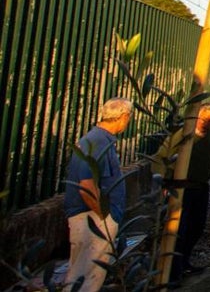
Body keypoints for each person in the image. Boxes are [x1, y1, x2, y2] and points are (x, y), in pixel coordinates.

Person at [157, 103, 210, 282]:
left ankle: (184, 263)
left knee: (196, 227)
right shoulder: (183, 133)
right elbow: (163, 156)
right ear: (196, 117)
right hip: (181, 188)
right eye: (204, 119)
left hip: (201, 186)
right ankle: (172, 273)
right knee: (178, 230)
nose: (206, 123)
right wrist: (165, 182)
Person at [64, 97, 133, 292]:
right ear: (124, 117)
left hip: (92, 216)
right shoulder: (97, 141)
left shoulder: (98, 139)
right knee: (87, 277)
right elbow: (86, 185)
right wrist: (104, 217)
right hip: (92, 217)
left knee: (83, 274)